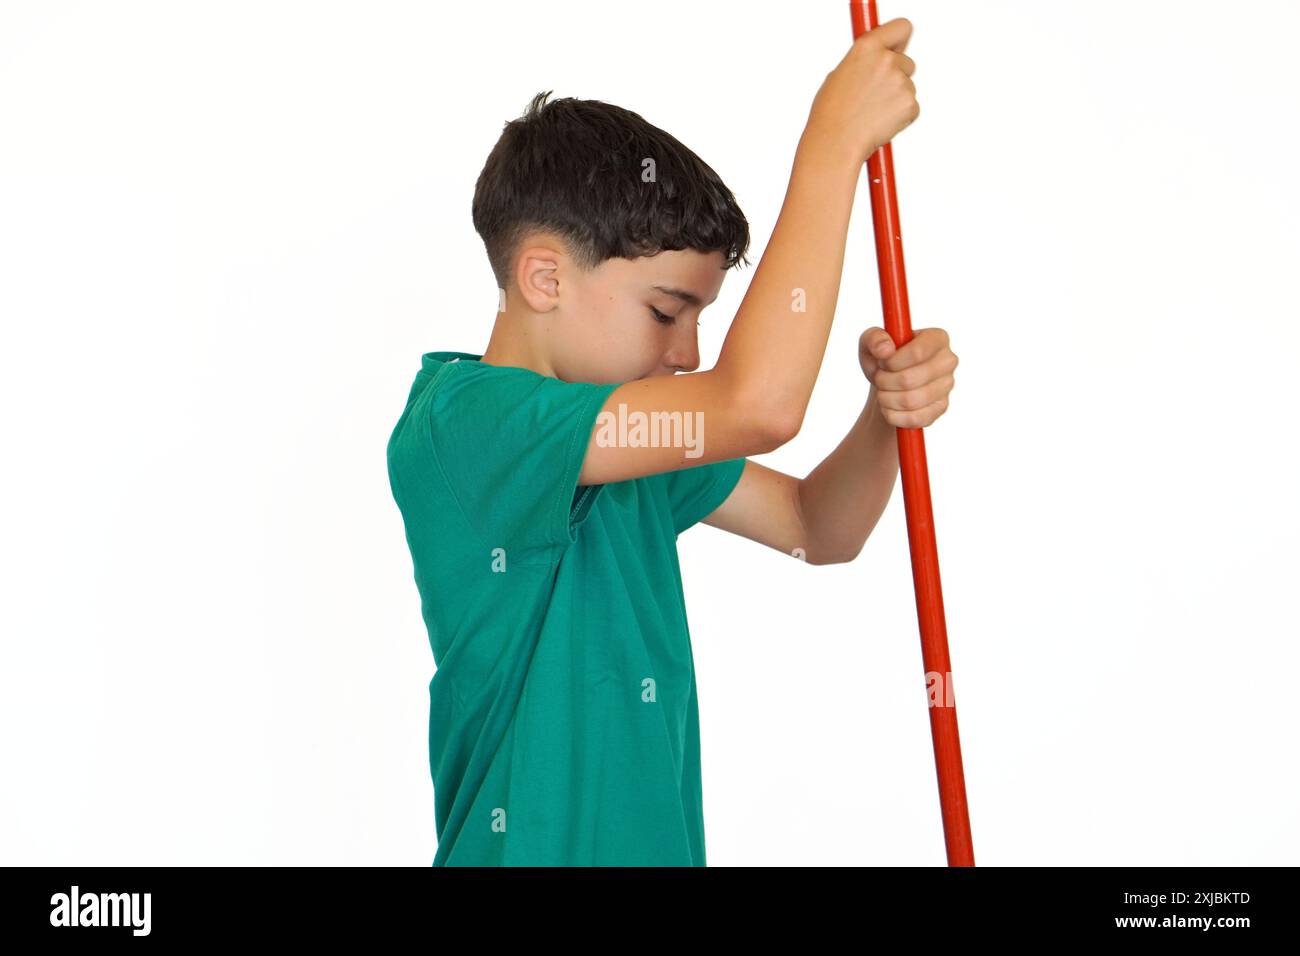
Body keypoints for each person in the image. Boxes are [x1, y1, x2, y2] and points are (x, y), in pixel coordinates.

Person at [386, 17, 958, 865]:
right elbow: (755, 402)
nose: (686, 353)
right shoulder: (468, 422)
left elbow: (815, 526)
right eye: (667, 311)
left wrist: (883, 416)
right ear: (545, 278)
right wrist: (831, 146)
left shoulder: (634, 445)